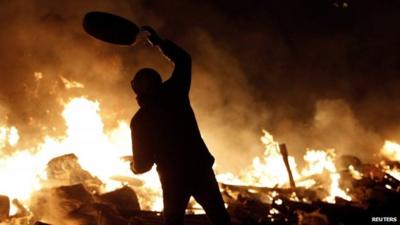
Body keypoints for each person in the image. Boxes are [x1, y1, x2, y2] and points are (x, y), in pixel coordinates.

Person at [129, 26, 231, 225]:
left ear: (136, 90)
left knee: (173, 221)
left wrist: (132, 167)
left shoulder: (140, 121)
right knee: (220, 218)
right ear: (159, 82)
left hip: (173, 178)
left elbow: (143, 165)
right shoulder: (175, 92)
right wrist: (159, 42)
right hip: (200, 168)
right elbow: (184, 60)